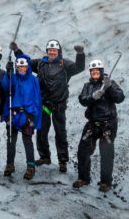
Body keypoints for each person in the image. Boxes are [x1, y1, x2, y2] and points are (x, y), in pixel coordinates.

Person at [10, 39, 85, 173]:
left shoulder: (65, 64)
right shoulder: (40, 63)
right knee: (42, 131)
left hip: (59, 104)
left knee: (60, 132)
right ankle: (45, 156)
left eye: (54, 50)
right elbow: (25, 63)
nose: (51, 52)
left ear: (58, 52)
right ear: (47, 51)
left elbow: (79, 68)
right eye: (49, 50)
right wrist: (17, 51)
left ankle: (63, 160)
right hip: (44, 103)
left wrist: (80, 54)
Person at [73, 59, 125, 192]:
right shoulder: (87, 86)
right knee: (83, 151)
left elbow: (120, 98)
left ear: (101, 72)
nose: (95, 73)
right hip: (92, 124)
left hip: (108, 124)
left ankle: (105, 182)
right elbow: (82, 100)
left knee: (106, 153)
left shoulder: (109, 83)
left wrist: (109, 87)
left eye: (97, 71)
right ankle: (83, 178)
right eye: (92, 71)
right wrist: (92, 97)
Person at [1, 54, 42, 180]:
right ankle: (10, 165)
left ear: (27, 66)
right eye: (19, 67)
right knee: (11, 140)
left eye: (23, 66)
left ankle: (30, 167)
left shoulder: (34, 80)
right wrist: (8, 73)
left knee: (27, 141)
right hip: (13, 113)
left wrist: (33, 115)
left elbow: (37, 99)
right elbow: (6, 87)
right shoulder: (13, 78)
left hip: (28, 114)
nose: (21, 69)